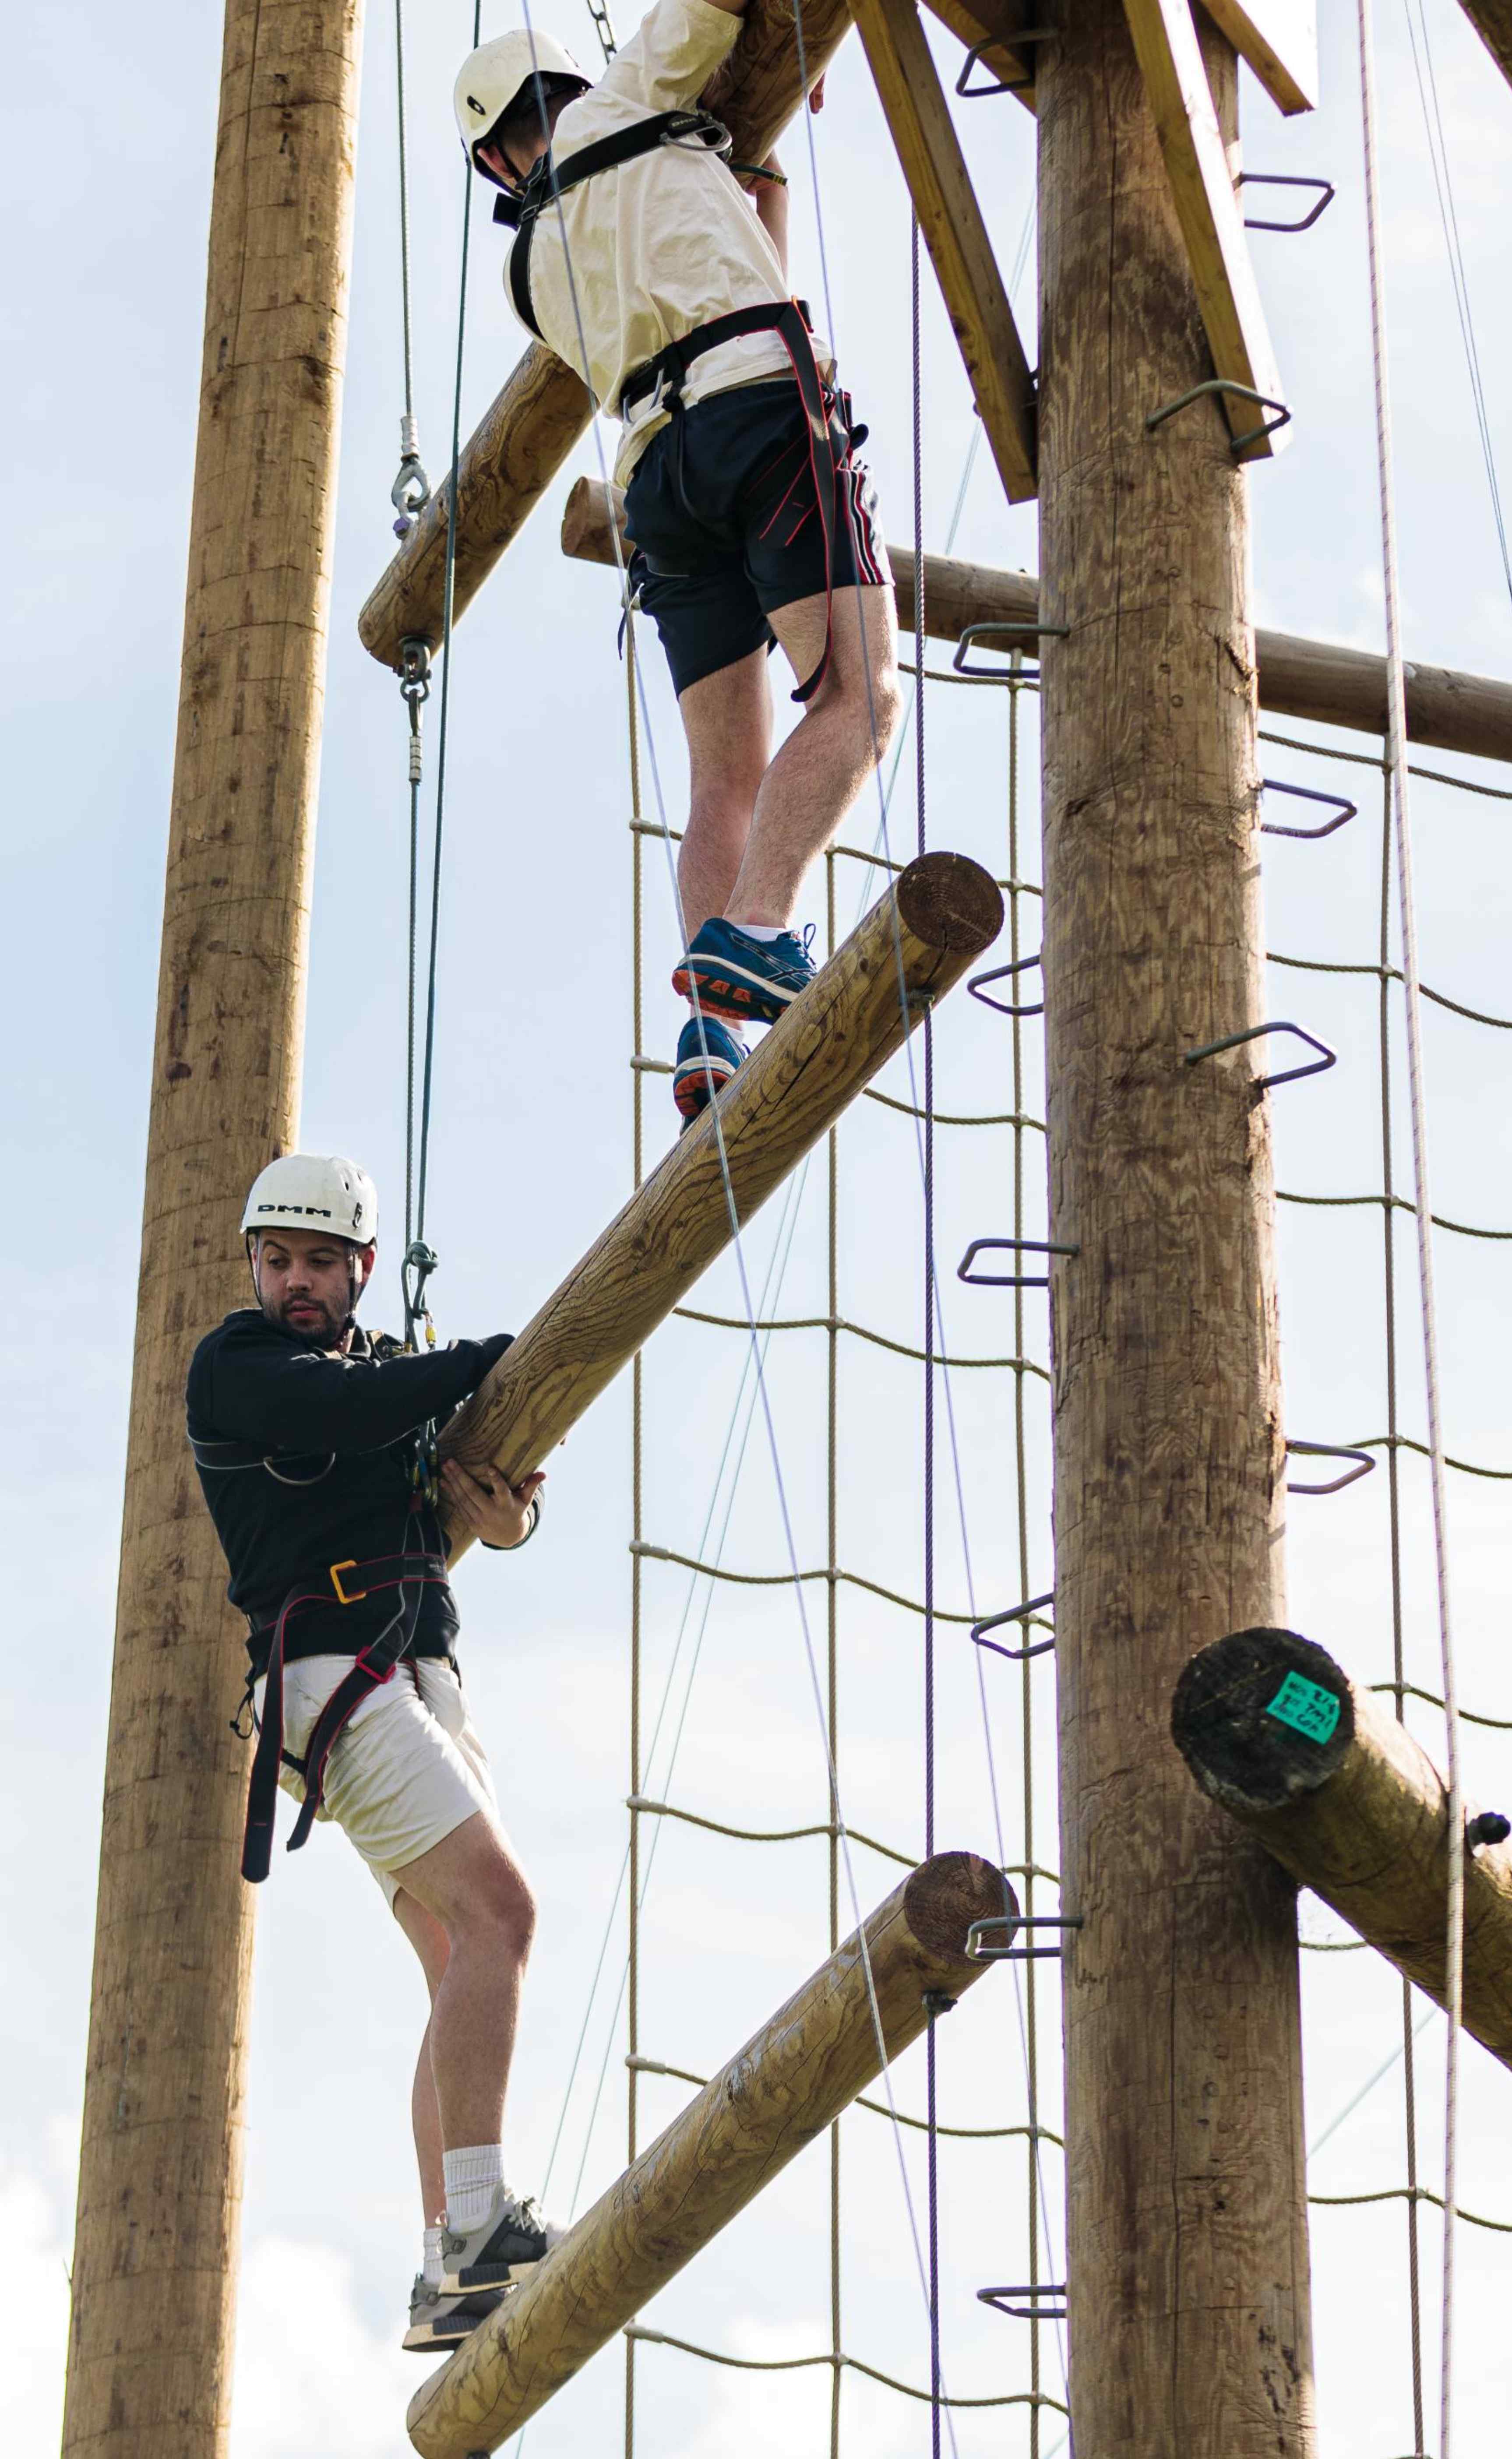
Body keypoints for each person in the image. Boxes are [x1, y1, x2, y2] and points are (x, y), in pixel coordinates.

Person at [452, 4, 904, 1127]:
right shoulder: (630, 102)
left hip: (660, 480)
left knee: (725, 777)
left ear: (494, 161)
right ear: (569, 87)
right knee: (859, 694)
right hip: (760, 408)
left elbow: (727, 251)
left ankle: (710, 1027)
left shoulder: (528, 272)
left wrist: (754, 170)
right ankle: (755, 936)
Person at [187, 1153, 557, 2356]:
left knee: (460, 1955)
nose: (295, 1283)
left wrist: (506, 1515)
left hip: (415, 1675)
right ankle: (480, 2230)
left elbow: (465, 1488)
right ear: (257, 1267)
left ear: (358, 1270)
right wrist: (497, 1354)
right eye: (277, 1260)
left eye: (318, 1264)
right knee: (501, 1914)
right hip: (333, 1679)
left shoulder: (387, 1376)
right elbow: (336, 1415)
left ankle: (451, 2263)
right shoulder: (240, 1370)